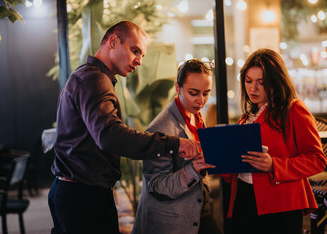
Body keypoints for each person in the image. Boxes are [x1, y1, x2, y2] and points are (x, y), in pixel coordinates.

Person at [48, 20, 202, 234]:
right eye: (135, 50)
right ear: (113, 41)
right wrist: (174, 144)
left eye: (142, 55)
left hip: (76, 192)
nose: (138, 60)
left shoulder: (87, 76)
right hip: (83, 197)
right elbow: (110, 136)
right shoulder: (94, 80)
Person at [225, 48, 327, 234]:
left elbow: (317, 160)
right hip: (243, 198)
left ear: (275, 82)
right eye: (248, 81)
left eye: (261, 83)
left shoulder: (293, 109)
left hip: (279, 205)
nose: (252, 88)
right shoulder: (247, 116)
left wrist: (274, 165)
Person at [132, 59, 222, 234]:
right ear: (178, 88)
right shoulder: (160, 128)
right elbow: (157, 186)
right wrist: (194, 168)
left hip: (198, 207)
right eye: (194, 93)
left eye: (206, 93)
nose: (201, 100)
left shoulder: (196, 113)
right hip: (172, 219)